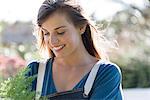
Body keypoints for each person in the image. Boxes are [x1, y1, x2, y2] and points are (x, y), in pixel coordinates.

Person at [27, 0, 123, 99]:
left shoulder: (106, 74)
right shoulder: (34, 72)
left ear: (81, 27)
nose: (52, 41)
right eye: (46, 33)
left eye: (60, 32)